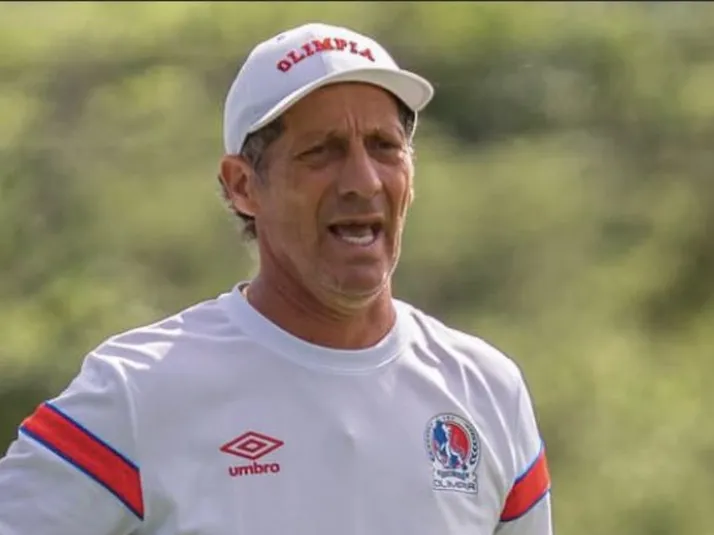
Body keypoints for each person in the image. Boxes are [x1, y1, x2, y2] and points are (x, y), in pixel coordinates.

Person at [0, 22, 553, 535]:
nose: (363, 181)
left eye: (384, 147)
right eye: (321, 152)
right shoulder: (138, 390)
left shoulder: (488, 390)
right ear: (243, 186)